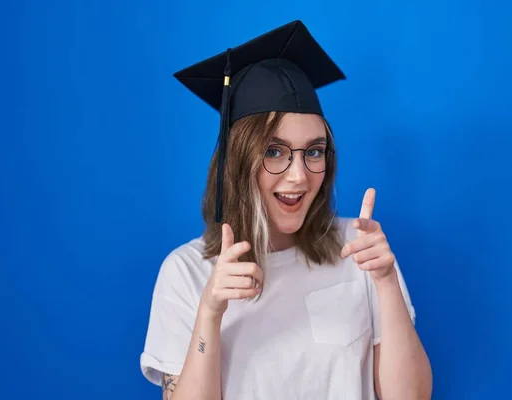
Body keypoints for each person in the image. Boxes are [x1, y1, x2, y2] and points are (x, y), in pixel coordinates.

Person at [140, 20, 432, 400]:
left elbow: (411, 397)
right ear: (237, 162)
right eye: (273, 151)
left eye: (313, 151)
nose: (298, 176)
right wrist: (210, 313)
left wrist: (386, 282)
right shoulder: (186, 271)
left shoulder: (358, 250)